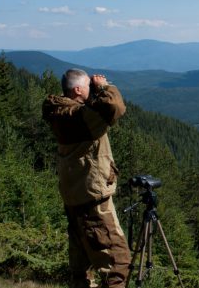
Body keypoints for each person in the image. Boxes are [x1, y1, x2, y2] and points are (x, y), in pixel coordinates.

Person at [42, 68, 131, 288]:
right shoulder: (81, 120)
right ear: (78, 89)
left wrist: (93, 92)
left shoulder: (59, 113)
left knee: (81, 270)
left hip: (74, 198)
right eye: (88, 88)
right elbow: (114, 107)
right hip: (93, 203)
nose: (92, 91)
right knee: (117, 265)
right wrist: (103, 86)